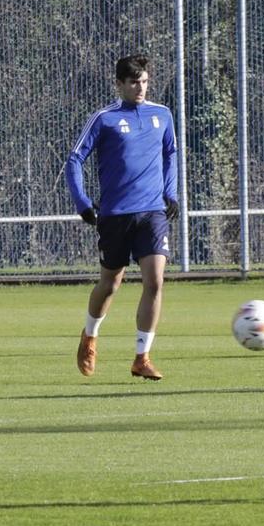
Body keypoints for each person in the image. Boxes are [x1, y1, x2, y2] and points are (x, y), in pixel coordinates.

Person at [65, 54, 179, 381]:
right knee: (110, 284)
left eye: (144, 81)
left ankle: (142, 357)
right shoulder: (104, 118)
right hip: (115, 214)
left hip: (152, 212)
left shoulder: (162, 114)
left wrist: (170, 193)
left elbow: (171, 154)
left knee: (155, 281)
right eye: (133, 82)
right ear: (119, 84)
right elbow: (74, 160)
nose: (140, 88)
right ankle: (89, 336)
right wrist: (83, 203)